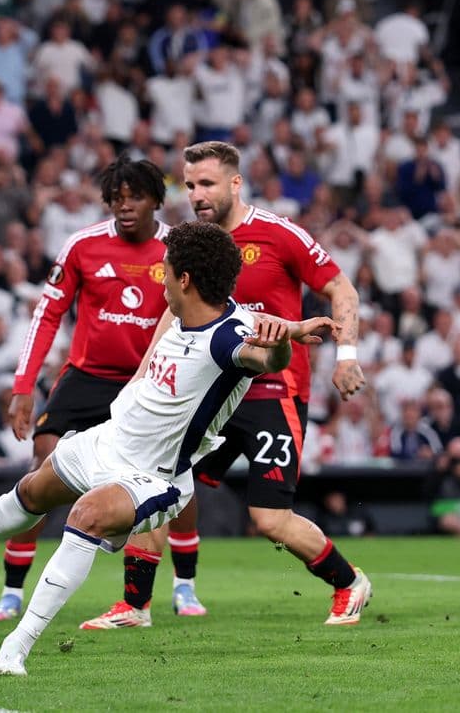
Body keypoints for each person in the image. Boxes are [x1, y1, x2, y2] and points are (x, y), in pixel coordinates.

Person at [0, 221, 342, 675]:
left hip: (154, 475)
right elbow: (261, 325)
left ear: (184, 279)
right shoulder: (203, 313)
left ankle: (17, 644)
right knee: (33, 491)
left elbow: (265, 357)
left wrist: (284, 348)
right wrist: (292, 326)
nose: (161, 278)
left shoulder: (227, 338)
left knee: (86, 515)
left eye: (165, 270)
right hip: (108, 441)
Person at [84, 140, 367, 629]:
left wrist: (347, 356)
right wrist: (141, 378)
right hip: (207, 393)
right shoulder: (190, 240)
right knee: (148, 482)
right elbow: (171, 314)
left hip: (271, 391)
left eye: (207, 183)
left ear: (236, 183)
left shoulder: (279, 235)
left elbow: (341, 288)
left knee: (269, 520)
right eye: (189, 185)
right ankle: (135, 606)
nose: (196, 194)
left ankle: (348, 583)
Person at [0, 155, 169, 622]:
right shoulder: (82, 246)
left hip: (146, 382)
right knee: (42, 467)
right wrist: (23, 386)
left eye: (135, 197)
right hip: (85, 377)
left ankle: (168, 591)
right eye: (116, 199)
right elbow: (46, 314)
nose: (125, 207)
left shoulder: (177, 249)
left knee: (157, 482)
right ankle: (10, 590)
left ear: (156, 201)